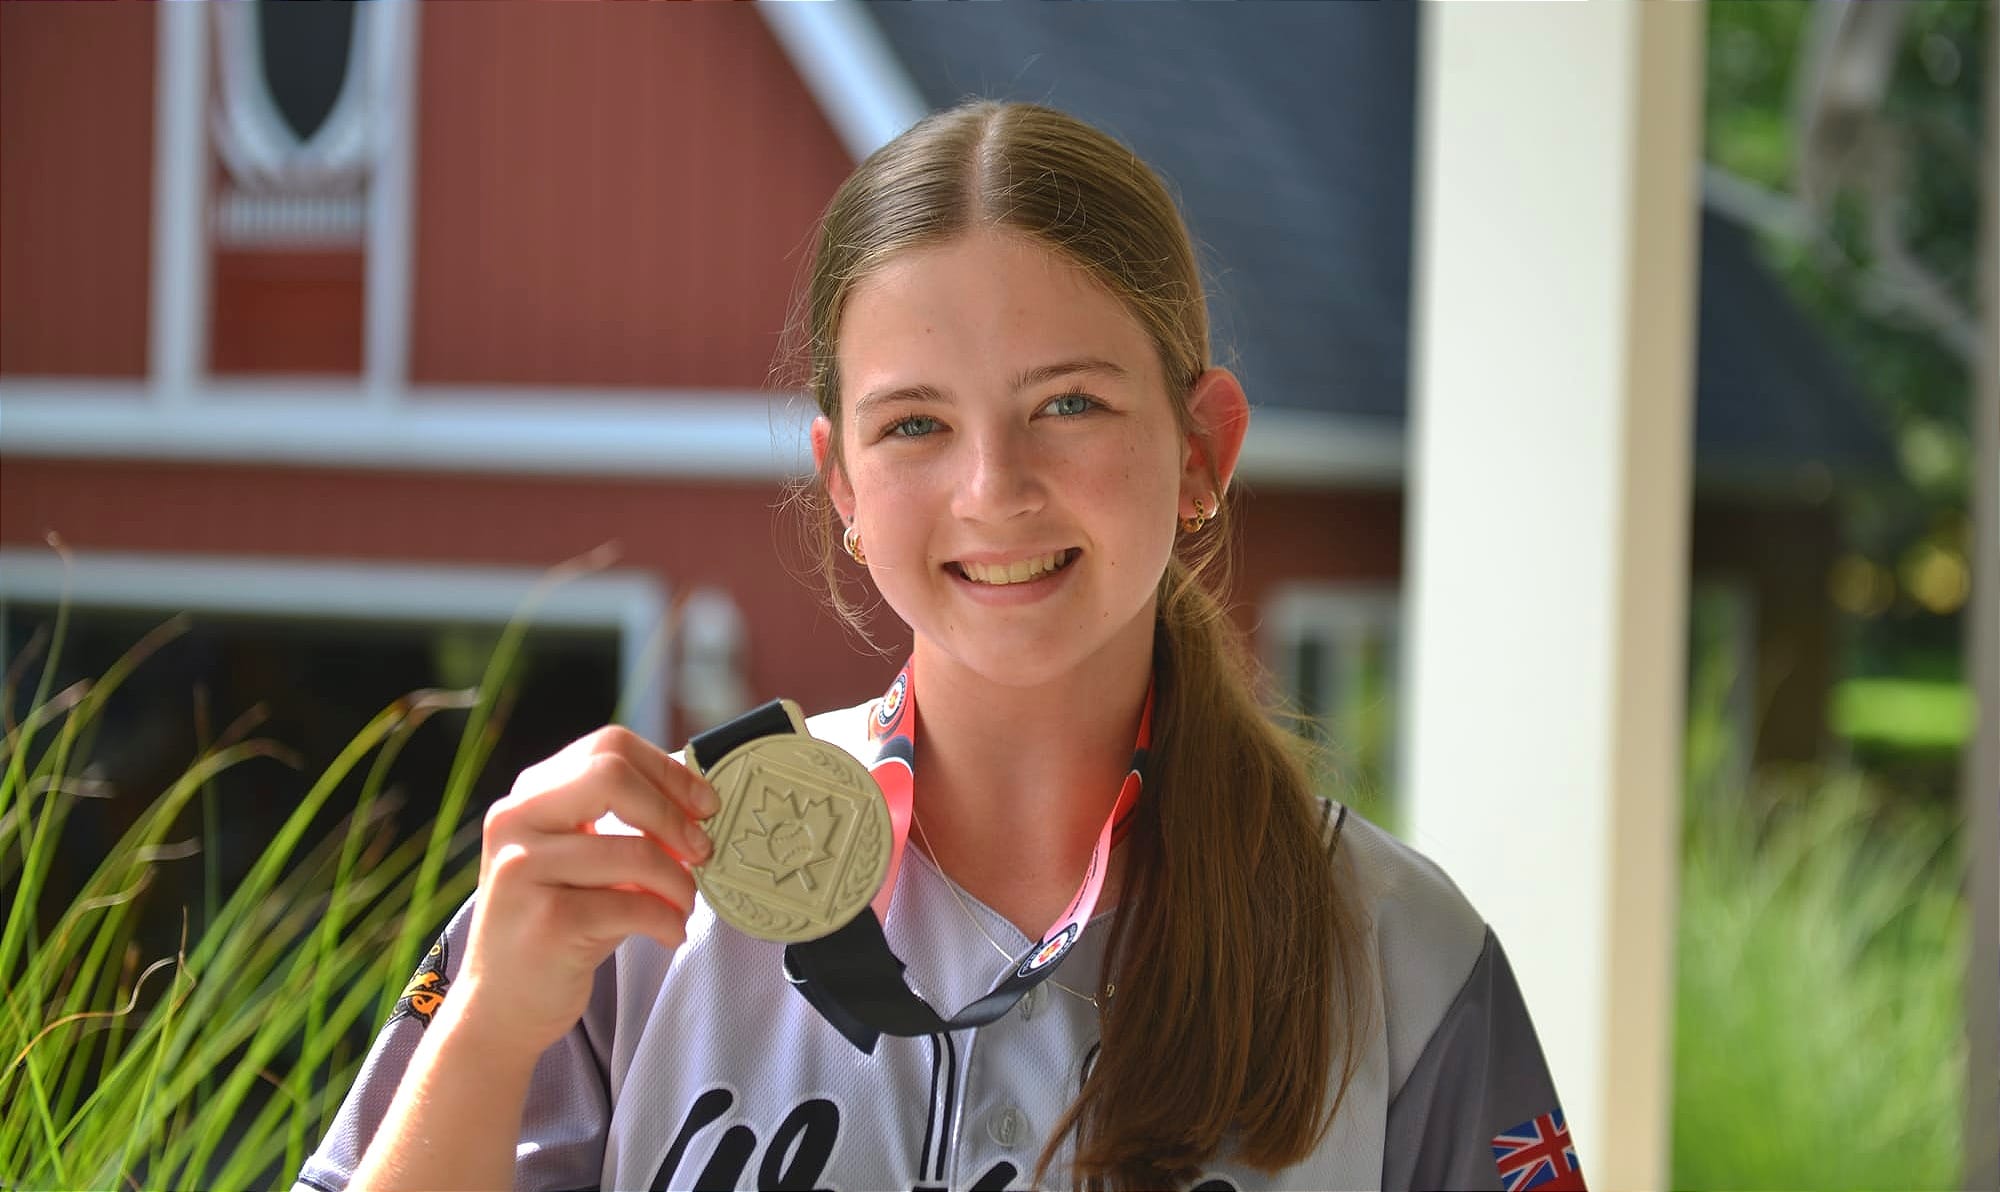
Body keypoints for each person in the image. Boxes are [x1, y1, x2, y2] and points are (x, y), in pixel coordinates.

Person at [298, 101, 1581, 1192]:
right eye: (913, 425)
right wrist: (483, 1028)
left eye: (1067, 403)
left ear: (1201, 451)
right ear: (840, 483)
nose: (992, 488)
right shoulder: (630, 893)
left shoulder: (1401, 954)